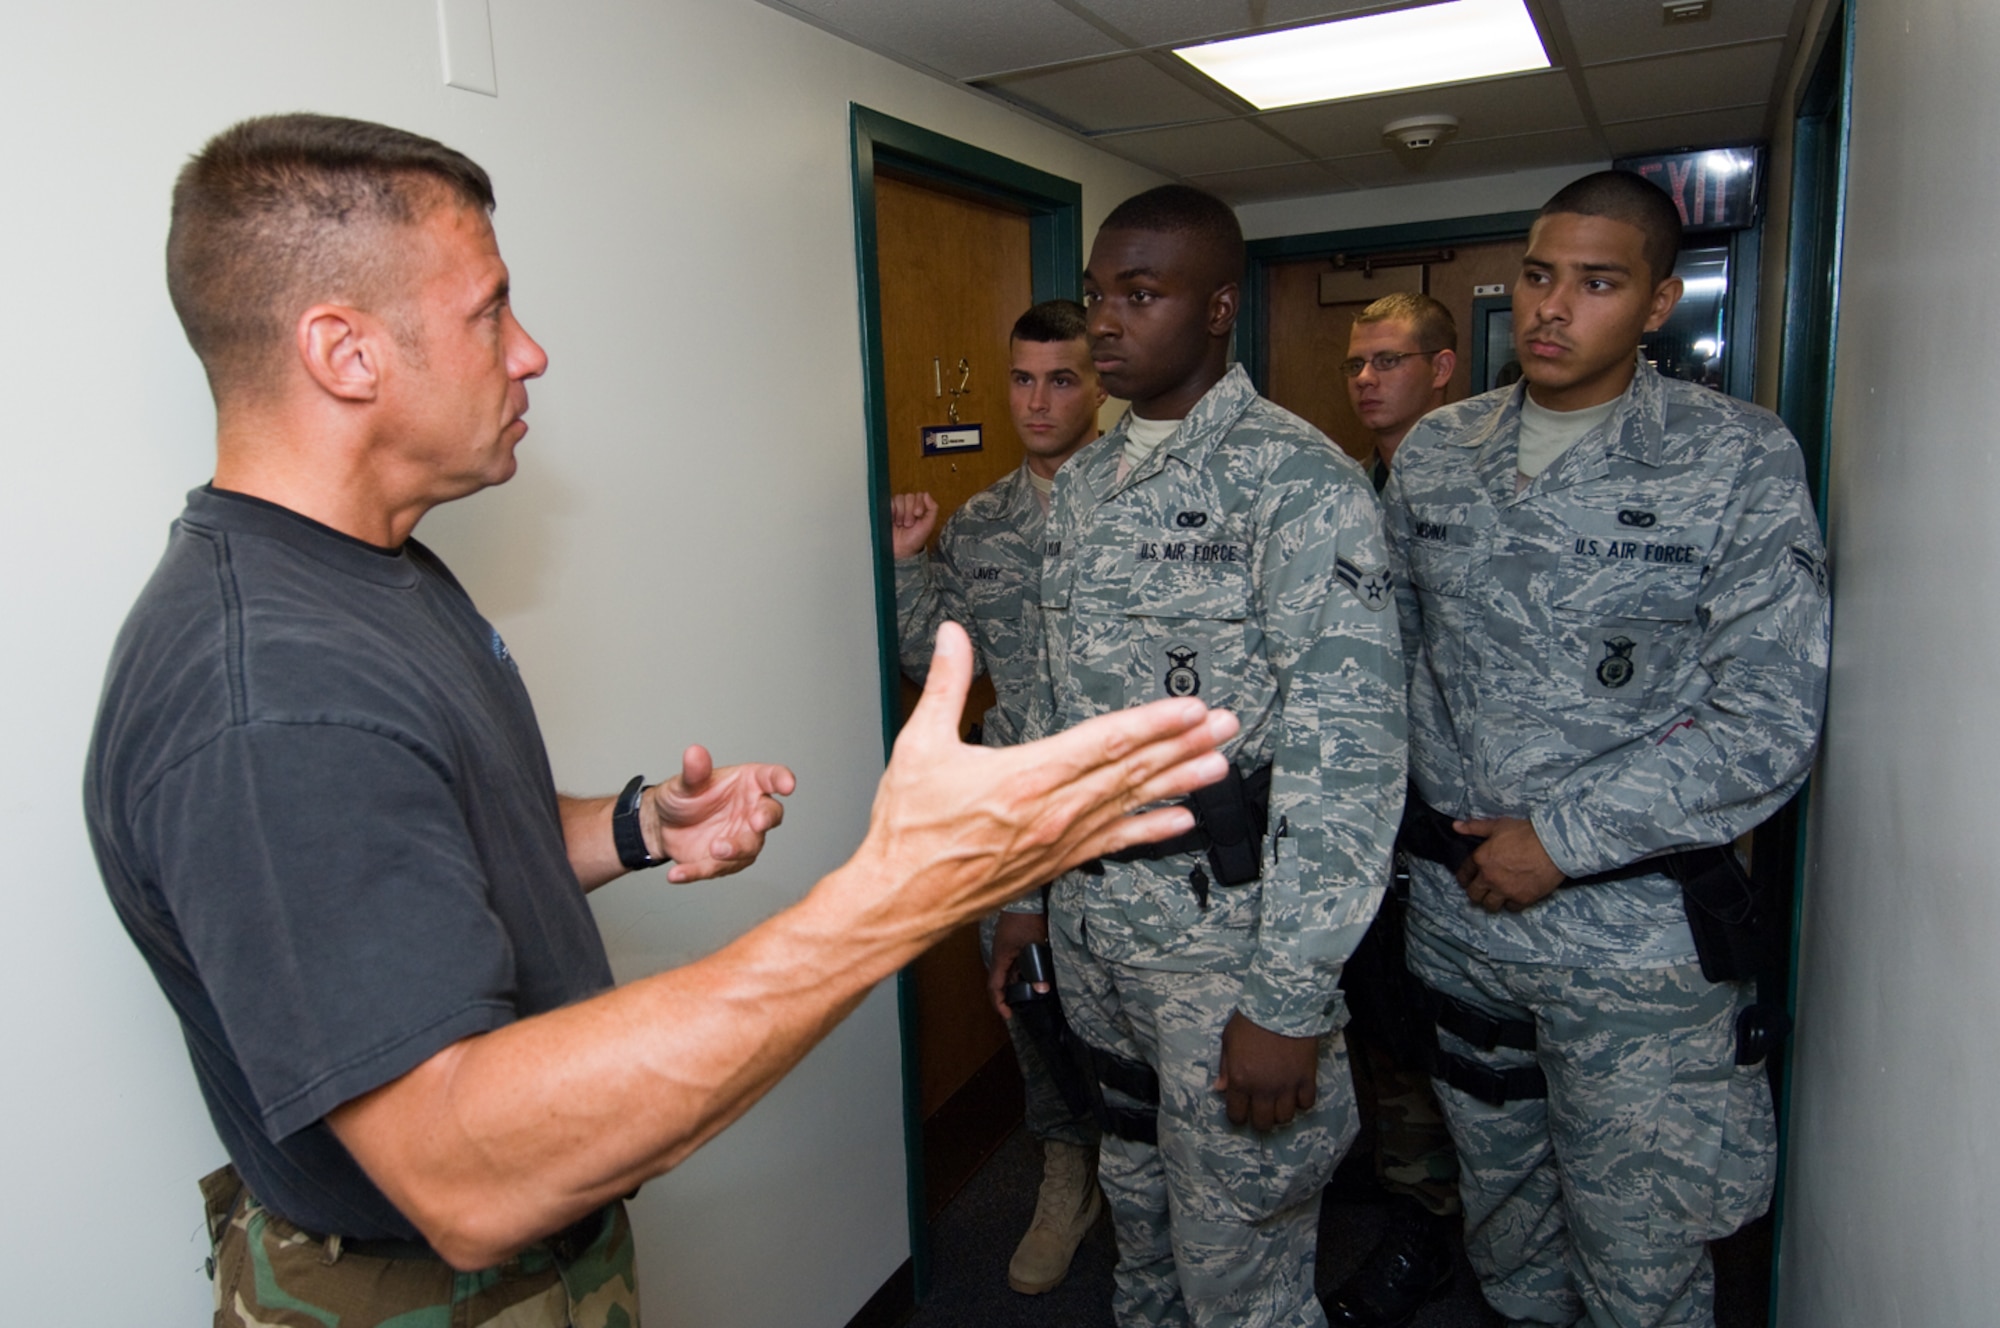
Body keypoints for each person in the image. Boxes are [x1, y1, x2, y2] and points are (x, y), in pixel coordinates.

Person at [82, 113, 1239, 1328]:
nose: (529, 353)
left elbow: (421, 840)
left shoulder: (374, 574)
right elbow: (465, 1174)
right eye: (489, 311)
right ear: (344, 352)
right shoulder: (268, 692)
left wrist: (628, 827)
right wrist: (904, 889)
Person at [1381, 170, 1830, 1328]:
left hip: (1633, 947)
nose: (1552, 307)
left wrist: (1562, 840)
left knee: (1641, 1261)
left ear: (1655, 301)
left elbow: (1768, 716)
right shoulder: (1434, 452)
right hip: (1460, 920)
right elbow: (1392, 661)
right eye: (1537, 275)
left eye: (1595, 282)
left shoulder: (1732, 456)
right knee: (1505, 1224)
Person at [1022, 183, 1406, 1327]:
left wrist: (1287, 1000)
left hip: (1224, 951)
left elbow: (1349, 755)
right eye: (1098, 294)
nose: (1105, 321)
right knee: (1136, 1219)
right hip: (1099, 937)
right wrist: (1029, 902)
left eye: (1141, 295)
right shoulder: (1084, 482)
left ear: (1217, 307)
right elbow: (1054, 721)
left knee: (1239, 1262)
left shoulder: (1298, 483)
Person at [891, 298, 1109, 1295]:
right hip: (1017, 815)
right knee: (1029, 1002)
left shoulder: (1147, 504)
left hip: (1128, 819)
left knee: (1142, 1008)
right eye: (1022, 378)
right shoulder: (980, 523)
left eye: (1060, 378)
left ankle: (1154, 1166)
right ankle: (1066, 1163)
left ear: (1097, 383)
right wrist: (905, 566)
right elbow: (926, 659)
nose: (1037, 400)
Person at [1324, 292, 1462, 1328]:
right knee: (1377, 1004)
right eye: (1355, 362)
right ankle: (1407, 1173)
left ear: (1443, 366)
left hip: (1458, 812)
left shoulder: (1472, 481)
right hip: (1365, 803)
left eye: (1389, 359)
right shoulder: (1349, 483)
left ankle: (1436, 1211)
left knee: (1442, 1024)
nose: (1366, 378)